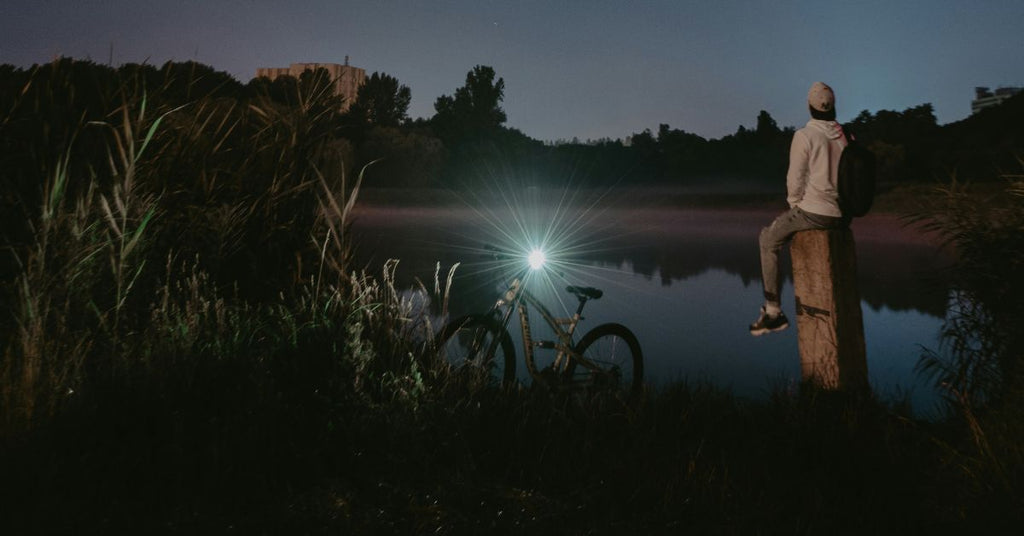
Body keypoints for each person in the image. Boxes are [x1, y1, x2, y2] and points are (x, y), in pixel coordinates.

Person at [750, 81, 848, 336]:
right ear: (833, 107)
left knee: (767, 240)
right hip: (841, 214)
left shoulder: (804, 135)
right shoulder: (843, 136)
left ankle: (772, 312)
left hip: (815, 211)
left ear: (810, 107)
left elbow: (794, 180)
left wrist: (795, 207)